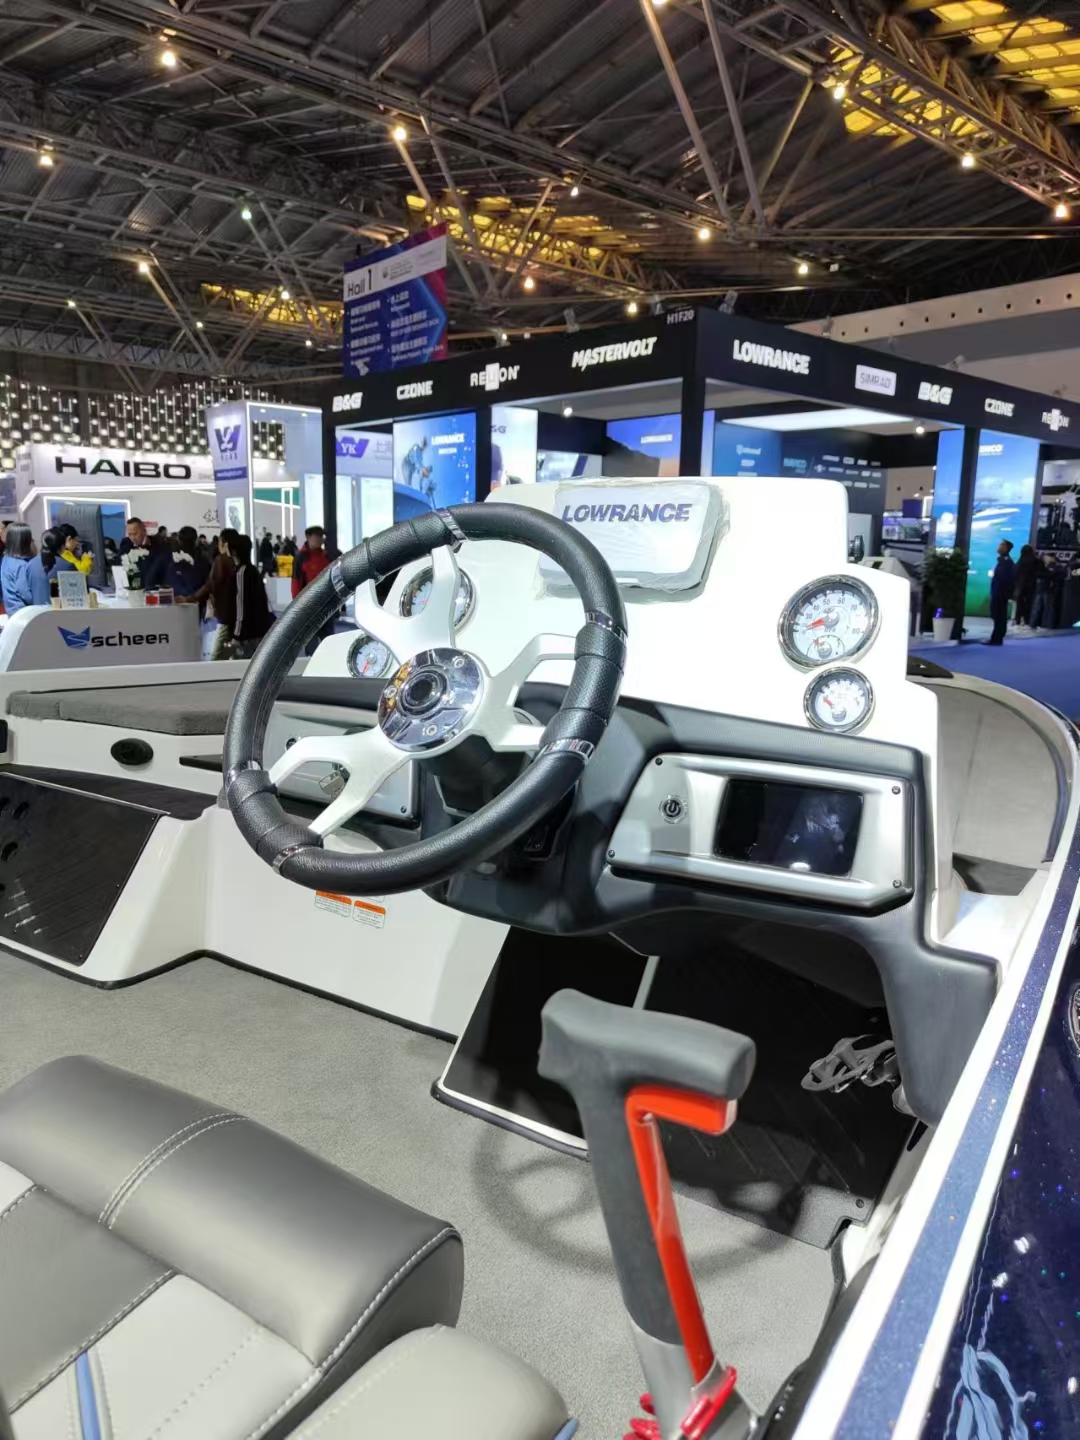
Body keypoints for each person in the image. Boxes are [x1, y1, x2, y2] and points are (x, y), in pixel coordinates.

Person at [182, 528, 238, 660]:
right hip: (242, 616)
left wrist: (191, 598)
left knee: (217, 659)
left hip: (227, 615)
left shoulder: (222, 560)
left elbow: (211, 584)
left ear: (223, 544)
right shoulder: (241, 560)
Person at [226, 534, 274, 658]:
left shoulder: (242, 573)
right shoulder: (252, 570)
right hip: (259, 630)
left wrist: (236, 635)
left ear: (234, 551)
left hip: (248, 634)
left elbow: (241, 606)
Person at [120, 516, 169, 589]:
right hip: (134, 588)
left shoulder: (158, 545)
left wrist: (145, 548)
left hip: (155, 587)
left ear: (144, 531)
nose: (133, 538)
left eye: (135, 534)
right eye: (129, 534)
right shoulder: (126, 545)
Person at [166, 525, 210, 600]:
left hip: (182, 602)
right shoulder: (204, 561)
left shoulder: (174, 560)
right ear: (196, 541)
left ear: (179, 541)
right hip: (193, 602)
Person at [0, 523, 35, 614]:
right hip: (23, 612)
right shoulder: (21, 565)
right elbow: (26, 594)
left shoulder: (6, 558)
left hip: (11, 610)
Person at [987, 538, 1016, 645]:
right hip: (999, 592)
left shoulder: (1005, 562)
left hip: (1000, 593)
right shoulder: (1003, 561)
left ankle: (996, 638)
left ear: (1006, 548)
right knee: (999, 615)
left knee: (999, 616)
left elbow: (1004, 579)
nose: (999, 546)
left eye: (1001, 545)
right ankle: (997, 638)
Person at [27, 528, 60, 606]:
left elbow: (27, 593)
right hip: (56, 610)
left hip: (36, 610)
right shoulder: (63, 564)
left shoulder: (30, 564)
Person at [1013, 544, 1038, 627]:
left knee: (1019, 605)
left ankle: (1018, 620)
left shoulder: (1020, 561)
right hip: (1031, 586)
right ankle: (1027, 621)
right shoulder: (1034, 561)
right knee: (1029, 604)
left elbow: (1015, 574)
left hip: (1020, 587)